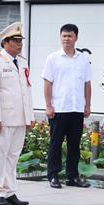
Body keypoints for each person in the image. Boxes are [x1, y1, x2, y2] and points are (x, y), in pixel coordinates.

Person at [0, 23, 33, 205]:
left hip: (19, 117)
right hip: (3, 118)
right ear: (5, 43)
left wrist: (29, 116)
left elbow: (26, 90)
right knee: (0, 155)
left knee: (13, 156)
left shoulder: (22, 62)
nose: (19, 44)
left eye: (20, 41)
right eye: (15, 41)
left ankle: (10, 190)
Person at [42, 23, 92, 189]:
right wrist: (48, 106)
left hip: (76, 109)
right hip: (59, 109)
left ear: (76, 38)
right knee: (55, 143)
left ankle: (72, 176)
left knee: (74, 145)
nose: (66, 39)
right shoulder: (53, 58)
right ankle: (53, 175)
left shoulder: (83, 59)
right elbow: (47, 83)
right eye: (64, 36)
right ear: (60, 37)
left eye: (70, 36)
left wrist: (87, 105)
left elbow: (87, 84)